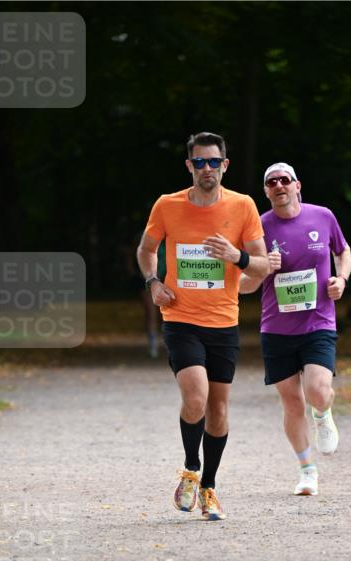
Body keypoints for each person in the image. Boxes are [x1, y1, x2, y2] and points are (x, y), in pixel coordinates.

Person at [137, 132, 268, 520]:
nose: (207, 169)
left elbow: (262, 265)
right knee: (195, 397)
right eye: (200, 162)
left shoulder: (243, 206)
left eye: (214, 162)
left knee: (219, 410)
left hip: (223, 322)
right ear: (189, 166)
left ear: (225, 165)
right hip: (180, 318)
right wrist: (153, 282)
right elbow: (147, 249)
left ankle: (209, 486)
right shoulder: (167, 205)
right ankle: (191, 468)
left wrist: (237, 256)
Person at [240, 162, 351, 496]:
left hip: (318, 322)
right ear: (266, 191)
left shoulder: (322, 217)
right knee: (291, 402)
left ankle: (323, 413)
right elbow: (242, 286)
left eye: (284, 180)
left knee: (317, 390)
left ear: (297, 185)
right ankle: (307, 471)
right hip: (276, 328)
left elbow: (343, 251)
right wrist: (261, 270)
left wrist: (340, 279)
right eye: (271, 182)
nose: (279, 186)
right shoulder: (258, 228)